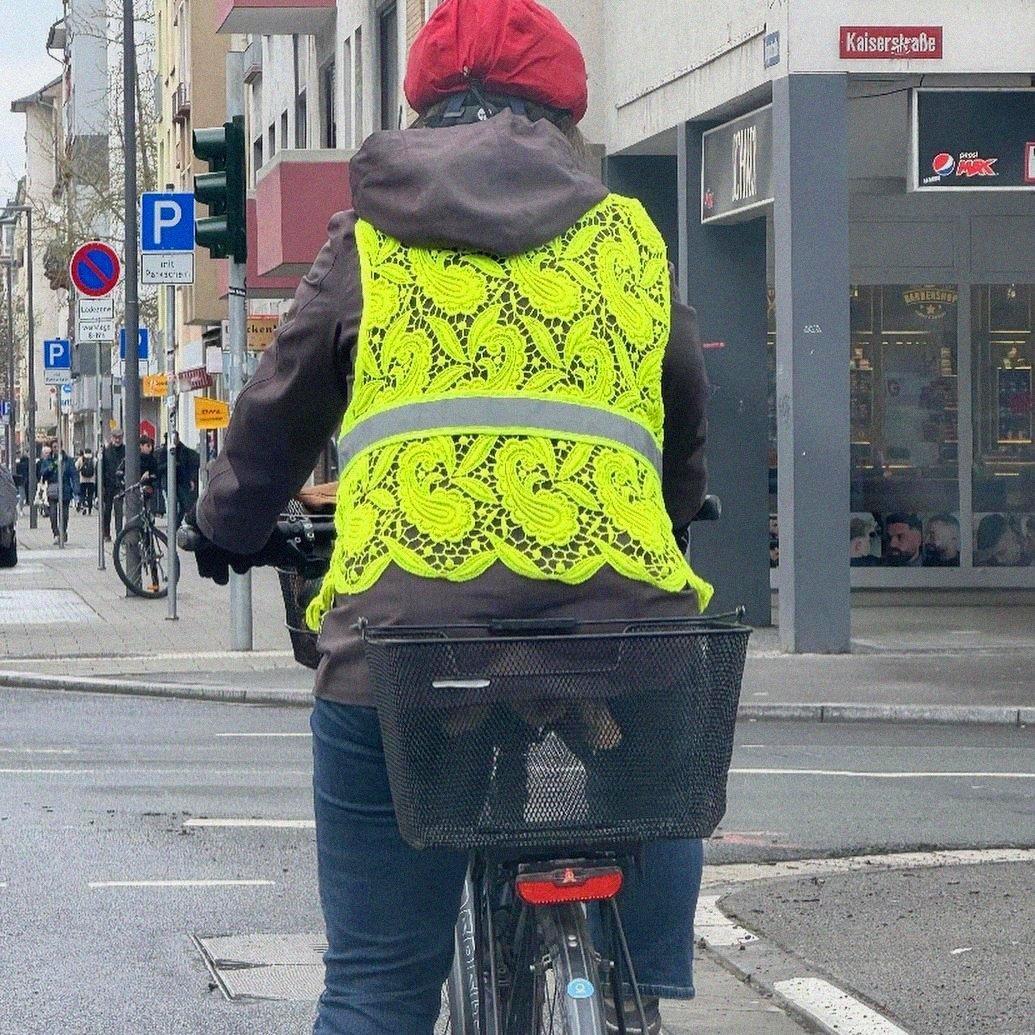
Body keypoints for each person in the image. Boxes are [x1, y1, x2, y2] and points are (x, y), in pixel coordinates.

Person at [181, 3, 711, 1033]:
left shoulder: (369, 246)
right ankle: (639, 988)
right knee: (662, 698)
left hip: (408, 647)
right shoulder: (631, 240)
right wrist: (670, 523)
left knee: (376, 984)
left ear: (420, 107)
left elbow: (276, 414)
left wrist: (227, 525)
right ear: (565, 113)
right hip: (612, 634)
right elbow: (679, 416)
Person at [39, 445, 78, 544]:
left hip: (65, 488)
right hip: (53, 488)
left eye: (58, 446)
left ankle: (63, 532)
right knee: (53, 513)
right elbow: (43, 473)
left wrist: (76, 489)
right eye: (54, 447)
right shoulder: (48, 460)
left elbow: (74, 474)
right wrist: (52, 466)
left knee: (64, 513)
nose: (56, 449)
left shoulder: (68, 460)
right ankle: (56, 533)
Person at [101, 429, 126, 542]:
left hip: (120, 486)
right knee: (107, 511)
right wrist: (101, 486)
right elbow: (101, 469)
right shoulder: (106, 451)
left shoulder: (126, 450)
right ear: (111, 438)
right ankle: (106, 533)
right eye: (115, 437)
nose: (117, 440)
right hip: (108, 485)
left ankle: (119, 535)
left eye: (119, 437)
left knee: (119, 511)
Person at [76, 448, 98, 515]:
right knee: (90, 495)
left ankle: (83, 506)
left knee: (82, 494)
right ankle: (90, 510)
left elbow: (76, 466)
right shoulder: (94, 459)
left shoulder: (81, 459)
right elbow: (96, 468)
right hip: (91, 480)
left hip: (82, 480)